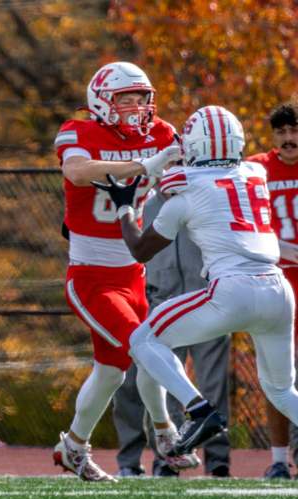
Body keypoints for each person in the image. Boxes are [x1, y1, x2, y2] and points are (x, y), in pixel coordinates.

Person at [102, 105, 298, 458]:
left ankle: (198, 410)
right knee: (282, 391)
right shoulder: (254, 173)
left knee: (142, 338)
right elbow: (227, 175)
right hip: (278, 291)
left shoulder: (185, 193)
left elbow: (140, 250)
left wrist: (124, 207)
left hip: (233, 290)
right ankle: (196, 414)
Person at [52, 61, 193, 481]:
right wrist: (142, 167)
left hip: (133, 272)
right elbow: (76, 171)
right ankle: (166, 435)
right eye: (124, 99)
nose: (135, 107)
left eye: (141, 98)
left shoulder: (162, 134)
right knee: (144, 345)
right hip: (91, 275)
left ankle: (73, 447)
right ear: (101, 102)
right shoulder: (79, 131)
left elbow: (184, 174)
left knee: (112, 370)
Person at [112, 192, 232, 478]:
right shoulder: (145, 205)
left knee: (212, 384)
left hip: (206, 304)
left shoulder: (206, 198)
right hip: (161, 304)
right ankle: (168, 457)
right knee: (162, 384)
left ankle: (217, 461)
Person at [247, 102, 298, 479]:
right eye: (281, 132)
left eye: (294, 131)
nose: (288, 139)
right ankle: (279, 459)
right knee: (276, 375)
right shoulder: (256, 167)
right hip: (274, 282)